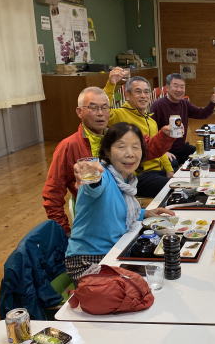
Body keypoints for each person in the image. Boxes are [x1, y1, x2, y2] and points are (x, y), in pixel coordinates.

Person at [42, 86, 175, 234]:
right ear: (79, 112)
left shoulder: (115, 136)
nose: (100, 113)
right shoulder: (69, 146)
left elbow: (146, 150)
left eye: (105, 107)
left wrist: (165, 136)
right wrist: (64, 232)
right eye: (93, 108)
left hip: (122, 215)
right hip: (94, 222)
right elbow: (53, 194)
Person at [65, 122, 176, 283]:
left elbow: (119, 211)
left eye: (136, 147)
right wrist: (89, 174)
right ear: (107, 151)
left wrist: (145, 213)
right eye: (121, 147)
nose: (130, 154)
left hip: (118, 249)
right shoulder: (102, 175)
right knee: (154, 281)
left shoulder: (125, 179)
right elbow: (93, 185)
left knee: (167, 262)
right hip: (89, 260)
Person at [106, 75, 180, 197]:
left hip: (157, 170)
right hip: (139, 174)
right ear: (127, 95)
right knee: (175, 188)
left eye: (146, 92)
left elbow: (157, 149)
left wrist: (169, 170)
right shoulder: (119, 115)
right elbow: (104, 111)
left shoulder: (151, 121)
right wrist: (111, 84)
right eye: (138, 92)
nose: (143, 96)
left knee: (177, 167)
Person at [151, 73, 215, 167]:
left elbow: (202, 114)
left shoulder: (184, 103)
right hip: (164, 150)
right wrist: (163, 152)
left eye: (182, 87)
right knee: (173, 164)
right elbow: (150, 133)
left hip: (181, 148)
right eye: (175, 86)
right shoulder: (157, 105)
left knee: (203, 156)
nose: (179, 90)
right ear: (167, 88)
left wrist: (213, 102)